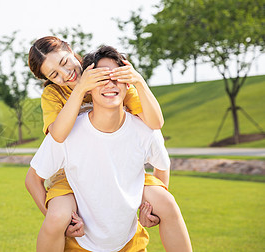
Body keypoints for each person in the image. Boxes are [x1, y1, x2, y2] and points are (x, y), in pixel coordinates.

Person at [25, 37, 192, 251]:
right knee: (58, 216)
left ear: (69, 49)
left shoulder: (110, 78)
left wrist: (138, 81)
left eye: (65, 62)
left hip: (121, 163)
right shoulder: (55, 93)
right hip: (72, 170)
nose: (65, 74)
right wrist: (80, 89)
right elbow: (57, 136)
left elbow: (155, 124)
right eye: (54, 74)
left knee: (166, 202)